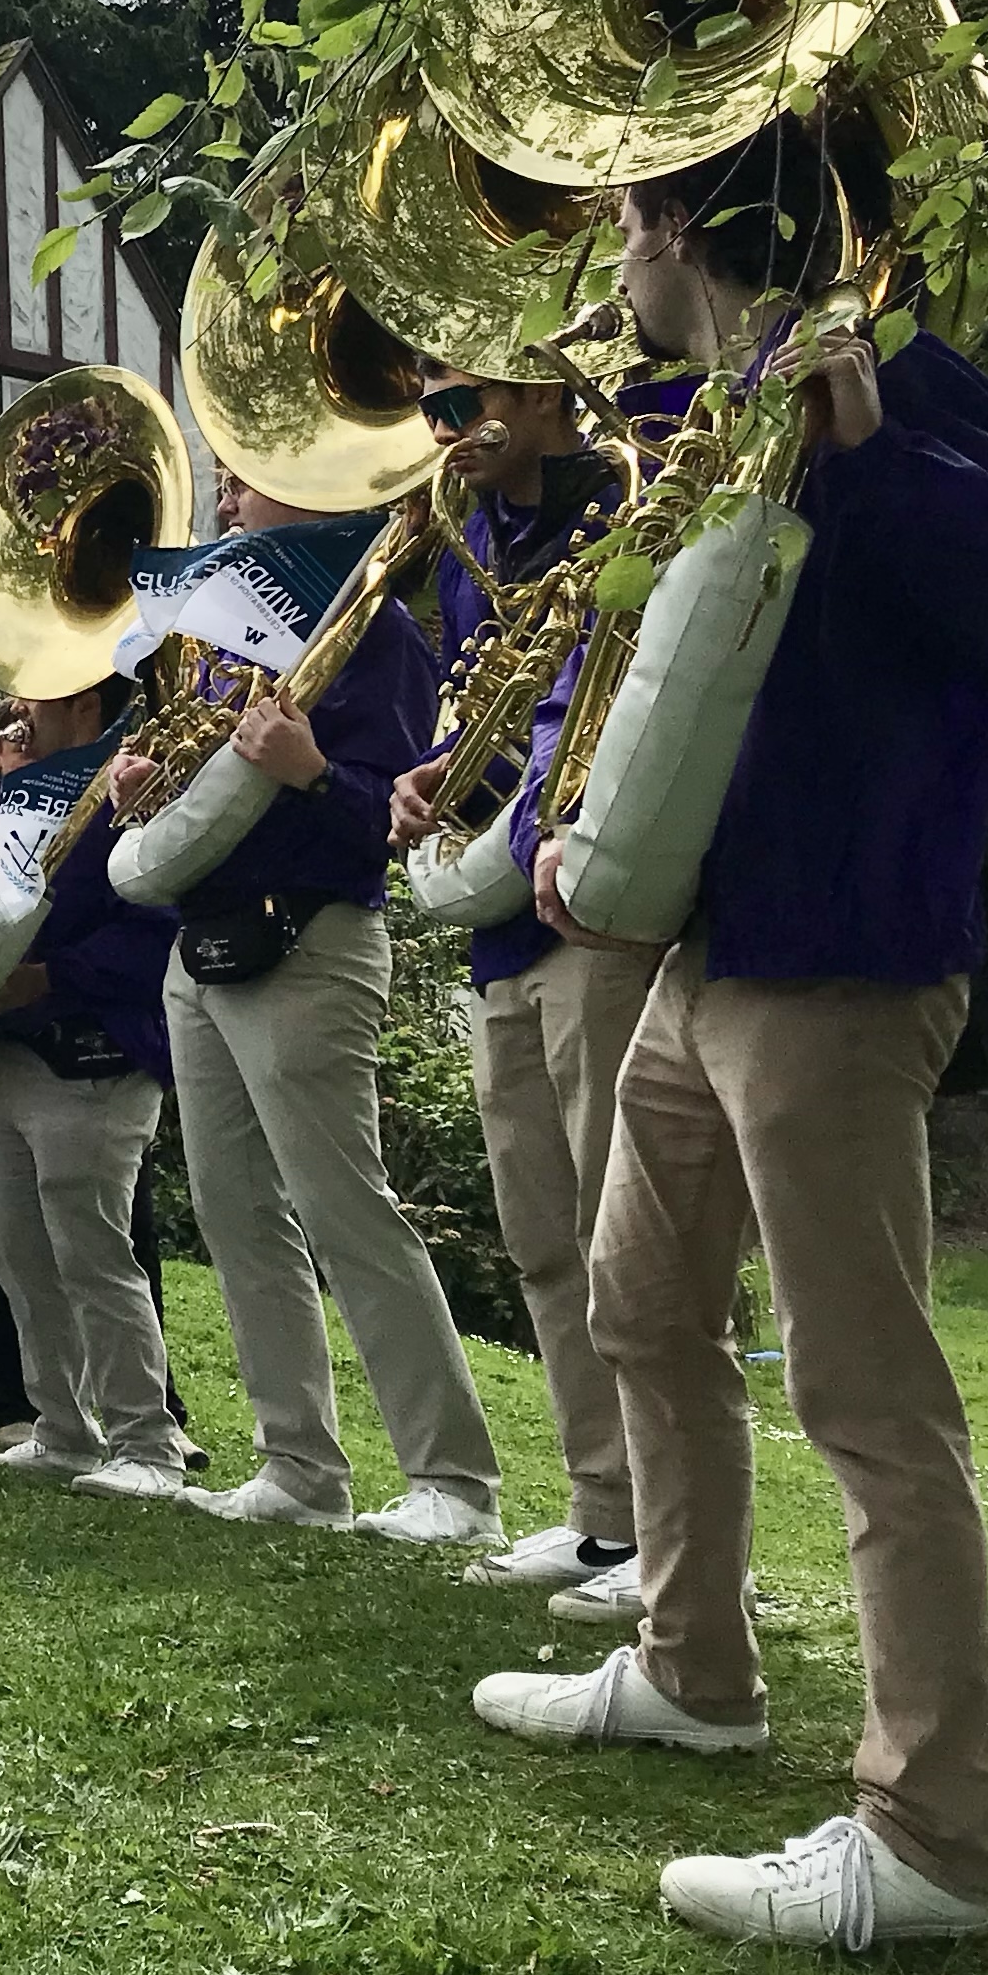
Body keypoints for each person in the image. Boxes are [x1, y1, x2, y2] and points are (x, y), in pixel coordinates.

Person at [473, 112, 988, 1953]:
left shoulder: (900, 380)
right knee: (638, 1304)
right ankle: (692, 1668)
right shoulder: (695, 417)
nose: (609, 257)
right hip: (711, 950)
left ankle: (931, 1836)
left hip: (839, 960)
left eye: (621, 218)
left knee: (865, 1392)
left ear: (679, 223)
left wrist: (870, 446)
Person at [104, 472, 506, 1548]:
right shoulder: (217, 638)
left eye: (252, 477)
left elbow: (401, 819)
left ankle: (454, 1482)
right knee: (236, 1212)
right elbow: (204, 795)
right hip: (205, 944)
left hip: (311, 940)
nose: (227, 492)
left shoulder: (375, 634)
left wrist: (313, 770)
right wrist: (150, 793)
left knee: (346, 1210)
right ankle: (298, 1466)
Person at [390, 359, 664, 1614]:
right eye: (431, 407)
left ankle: (674, 1531)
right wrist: (430, 776)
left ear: (546, 393)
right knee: (544, 1236)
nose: (441, 429)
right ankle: (604, 1513)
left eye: (462, 401)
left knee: (630, 1236)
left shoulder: (624, 498)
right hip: (502, 921)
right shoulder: (469, 543)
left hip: (599, 908)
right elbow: (477, 707)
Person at [0, 677, 190, 1501]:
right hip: (8, 1053)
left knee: (96, 1258)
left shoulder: (134, 786)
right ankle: (61, 1427)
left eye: (38, 699)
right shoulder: (18, 794)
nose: (20, 712)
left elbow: (157, 930)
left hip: (93, 1053)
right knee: (20, 1258)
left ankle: (146, 1441)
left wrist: (47, 976)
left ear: (84, 703)